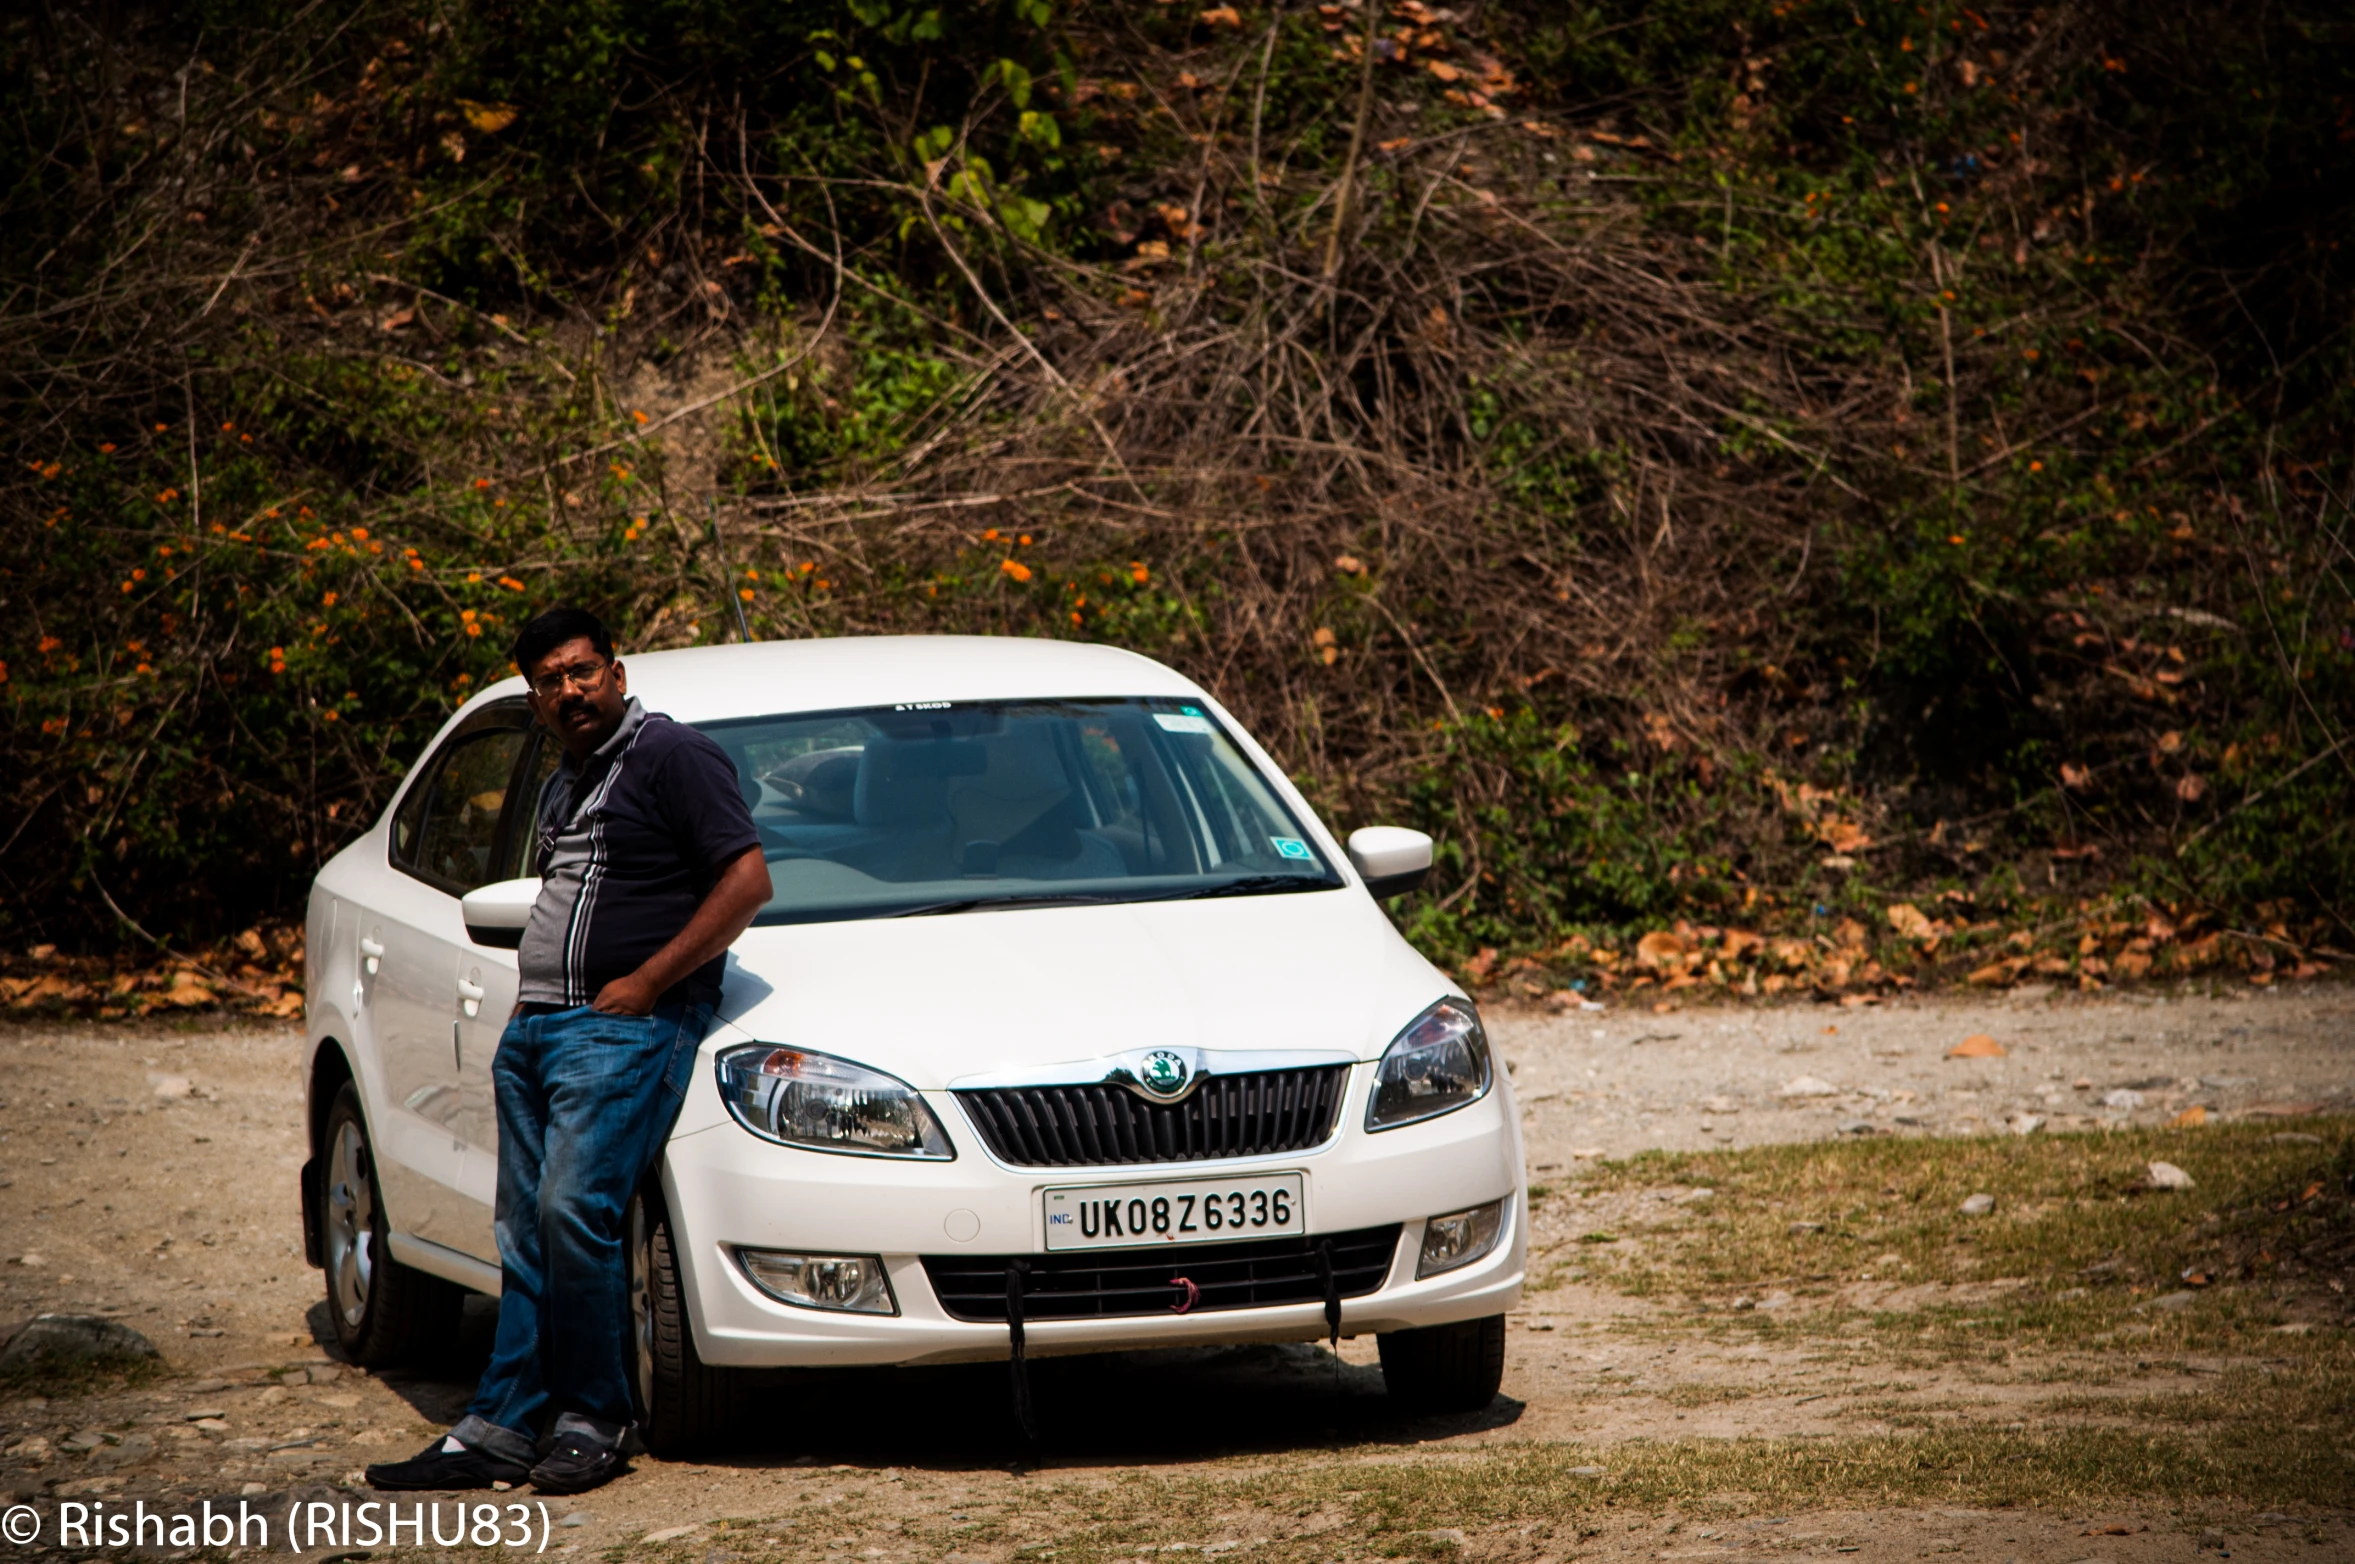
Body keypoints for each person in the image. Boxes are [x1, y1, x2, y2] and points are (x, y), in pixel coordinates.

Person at [367, 607, 772, 1495]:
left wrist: (649, 983)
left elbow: (746, 879)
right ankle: (504, 1426)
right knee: (524, 1232)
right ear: (534, 697)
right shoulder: (563, 783)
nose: (568, 691)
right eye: (548, 681)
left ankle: (597, 1416)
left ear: (616, 674)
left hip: (621, 1027)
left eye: (581, 671)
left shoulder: (671, 756)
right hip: (538, 1029)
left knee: (571, 1214)